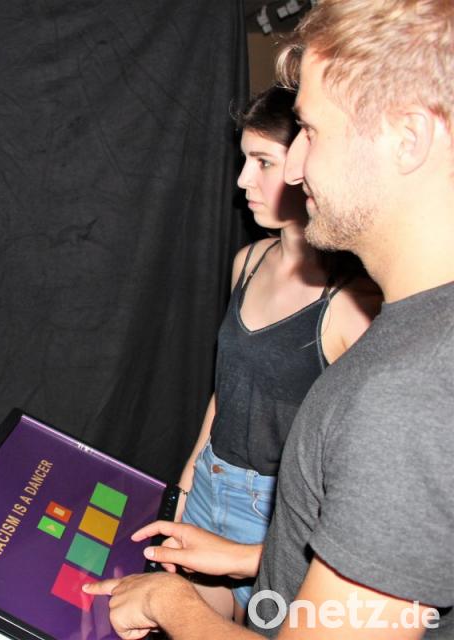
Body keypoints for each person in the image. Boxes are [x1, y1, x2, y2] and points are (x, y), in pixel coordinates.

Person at [83, 0, 454, 637]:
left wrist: (165, 603)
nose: (297, 168)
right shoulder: (418, 345)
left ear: (408, 138)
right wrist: (241, 557)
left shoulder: (409, 393)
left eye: (312, 130)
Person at [176, 84, 380, 621]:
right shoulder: (246, 261)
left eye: (263, 161)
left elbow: (363, 459)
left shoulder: (353, 303)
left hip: (280, 512)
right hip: (211, 481)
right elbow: (226, 388)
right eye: (245, 160)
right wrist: (190, 477)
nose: (243, 179)